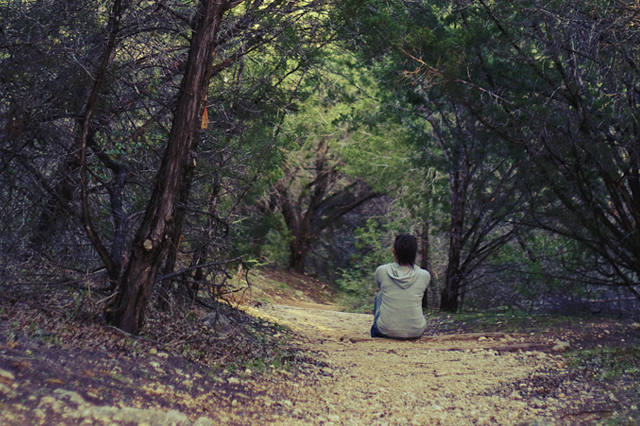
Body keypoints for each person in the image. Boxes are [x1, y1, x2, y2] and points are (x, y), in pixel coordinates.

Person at [371, 234, 430, 339]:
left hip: (386, 330)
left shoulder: (382, 271)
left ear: (394, 251)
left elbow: (381, 288)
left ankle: (378, 336)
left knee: (380, 295)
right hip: (416, 331)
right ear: (415, 253)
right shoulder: (424, 275)